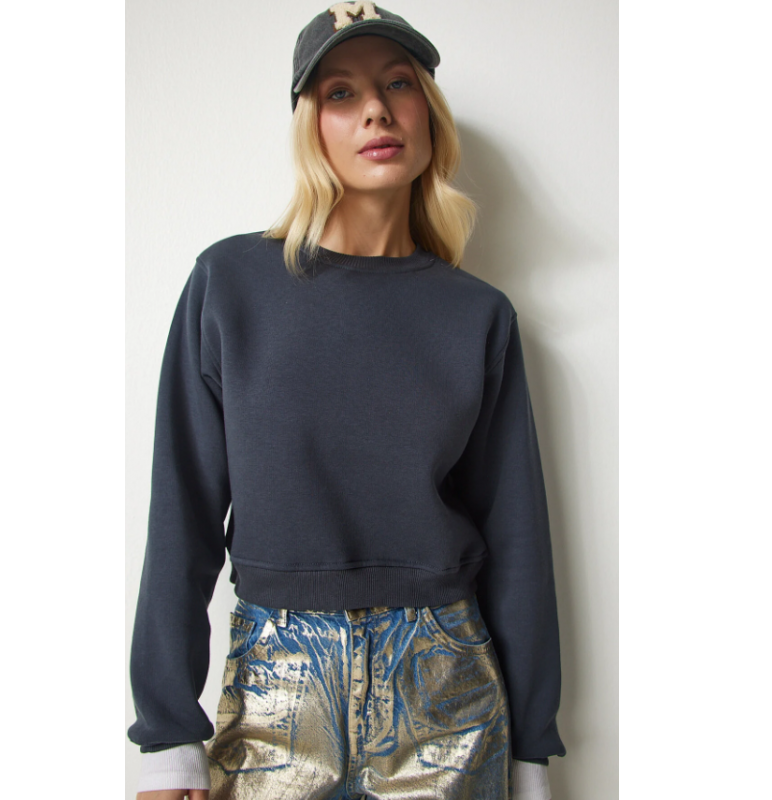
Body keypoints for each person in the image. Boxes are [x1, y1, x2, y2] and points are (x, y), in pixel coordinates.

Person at [127, 4, 566, 799]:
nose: (376, 111)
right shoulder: (229, 286)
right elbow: (181, 512)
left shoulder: (477, 315)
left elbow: (518, 535)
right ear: (311, 127)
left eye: (398, 84)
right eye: (340, 93)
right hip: (276, 683)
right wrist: (167, 736)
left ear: (427, 115)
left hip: (448, 690)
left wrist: (531, 749)